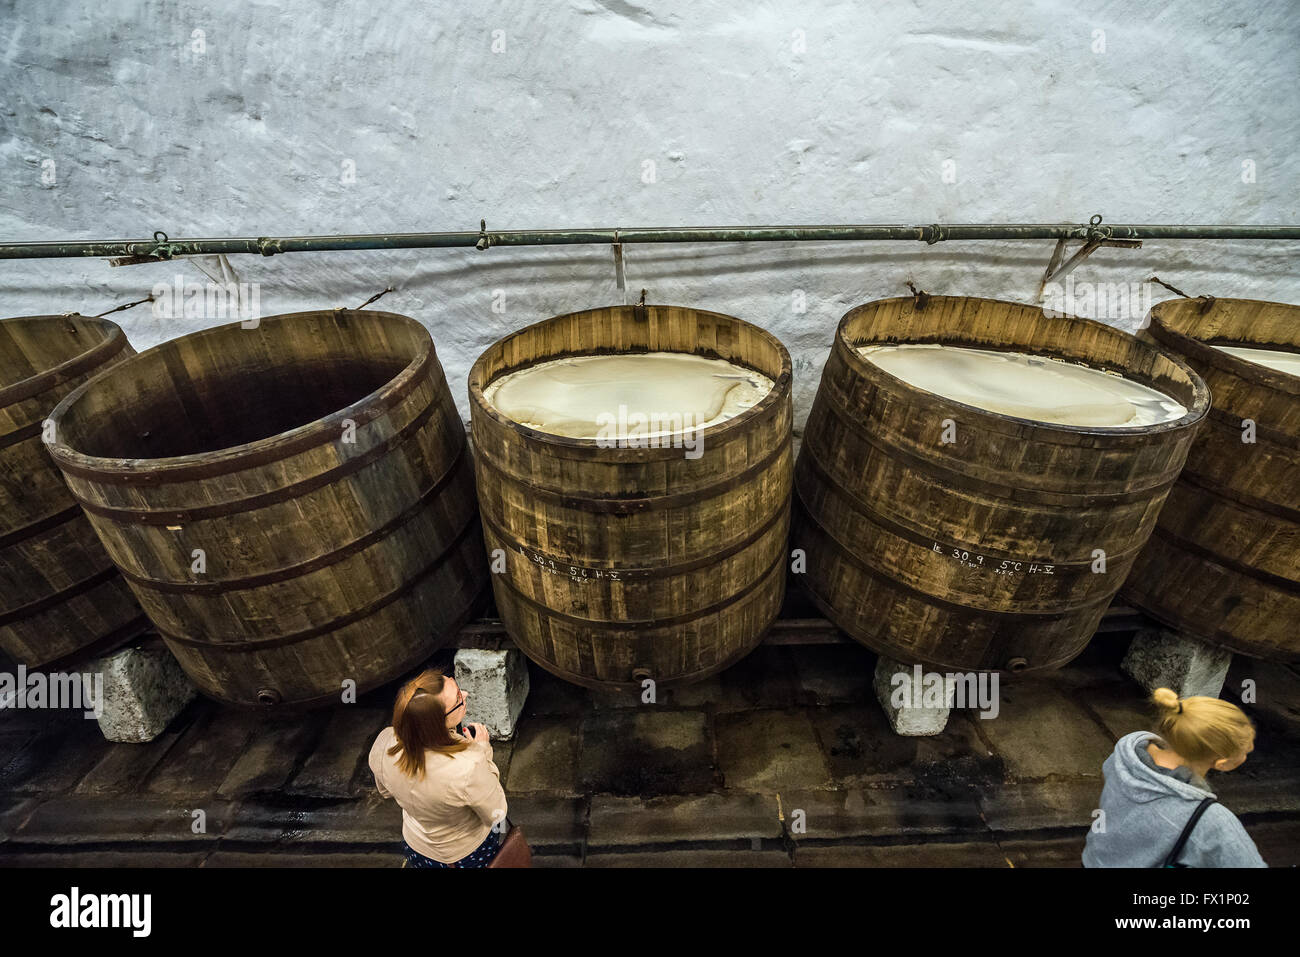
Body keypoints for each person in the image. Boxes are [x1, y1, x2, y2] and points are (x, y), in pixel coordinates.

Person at [1083, 686, 1265, 867]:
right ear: (1222, 764)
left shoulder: (1125, 755)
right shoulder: (1212, 820)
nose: (1248, 752)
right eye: (1245, 751)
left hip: (1094, 860)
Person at [368, 668, 508, 868]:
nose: (466, 695)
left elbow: (385, 792)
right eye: (459, 698)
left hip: (417, 847)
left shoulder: (384, 743)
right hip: (465, 853)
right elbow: (496, 812)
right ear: (437, 722)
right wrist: (483, 752)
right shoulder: (468, 764)